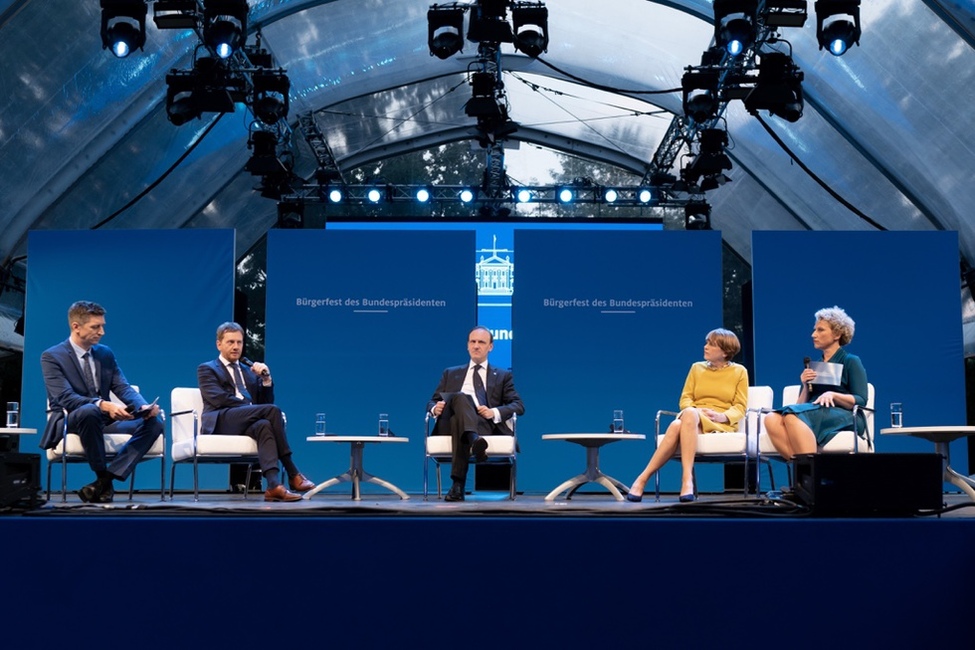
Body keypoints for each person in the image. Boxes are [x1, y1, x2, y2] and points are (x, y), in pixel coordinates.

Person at [39, 301, 163, 503]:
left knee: (154, 422)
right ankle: (101, 476)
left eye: (102, 326)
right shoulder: (52, 356)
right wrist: (102, 404)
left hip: (102, 419)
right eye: (96, 327)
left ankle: (105, 480)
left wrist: (143, 406)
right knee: (89, 411)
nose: (102, 332)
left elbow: (122, 386)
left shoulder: (105, 353)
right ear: (76, 327)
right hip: (71, 419)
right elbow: (64, 398)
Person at [626, 328, 748, 503]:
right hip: (693, 418)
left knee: (677, 425)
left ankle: (644, 479)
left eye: (711, 344)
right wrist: (694, 410)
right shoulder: (696, 368)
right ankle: (685, 481)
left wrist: (722, 416)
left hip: (719, 422)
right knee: (686, 416)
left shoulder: (739, 372)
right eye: (706, 343)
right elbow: (686, 398)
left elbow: (740, 406)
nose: (705, 347)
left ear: (725, 351)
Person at [197, 322, 314, 502]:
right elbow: (219, 399)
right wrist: (249, 406)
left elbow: (265, 404)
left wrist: (266, 379)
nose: (236, 347)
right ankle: (292, 472)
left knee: (264, 425)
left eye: (239, 342)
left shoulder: (248, 371)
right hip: (221, 420)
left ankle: (274, 485)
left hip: (246, 420)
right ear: (218, 344)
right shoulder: (207, 368)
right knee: (270, 413)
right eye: (230, 342)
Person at [426, 326, 525, 501]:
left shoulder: (502, 376)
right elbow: (431, 401)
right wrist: (435, 408)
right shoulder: (450, 373)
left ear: (491, 347)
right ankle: (474, 440)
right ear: (467, 345)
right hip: (448, 423)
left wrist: (493, 412)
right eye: (473, 341)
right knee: (460, 398)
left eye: (481, 342)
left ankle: (457, 485)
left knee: (460, 420)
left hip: (483, 424)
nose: (476, 346)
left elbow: (518, 406)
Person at [763, 306, 868, 460]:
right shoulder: (815, 366)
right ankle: (804, 471)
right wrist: (805, 385)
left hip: (844, 414)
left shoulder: (850, 360)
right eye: (814, 330)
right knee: (771, 418)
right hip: (814, 411)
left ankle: (810, 475)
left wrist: (833, 394)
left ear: (837, 334)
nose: (813, 335)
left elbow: (861, 399)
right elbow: (799, 405)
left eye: (820, 330)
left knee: (793, 416)